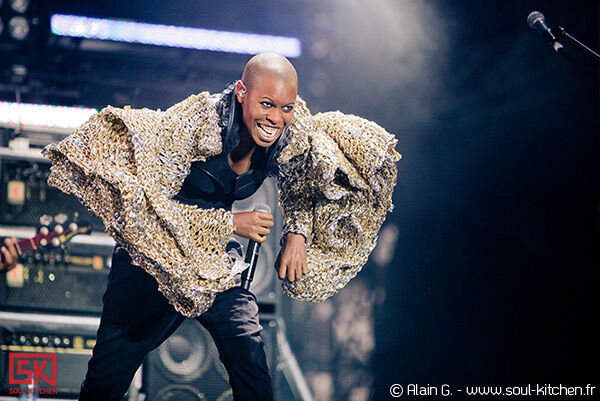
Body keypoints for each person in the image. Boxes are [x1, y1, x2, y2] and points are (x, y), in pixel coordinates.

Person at [3, 52, 401, 400]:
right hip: (153, 258)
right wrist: (231, 222)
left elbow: (300, 176)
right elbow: (152, 209)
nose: (276, 118)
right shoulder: (195, 123)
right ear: (243, 92)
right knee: (106, 382)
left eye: (287, 107)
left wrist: (296, 231)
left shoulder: (291, 129)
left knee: (249, 353)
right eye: (267, 104)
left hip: (212, 263)